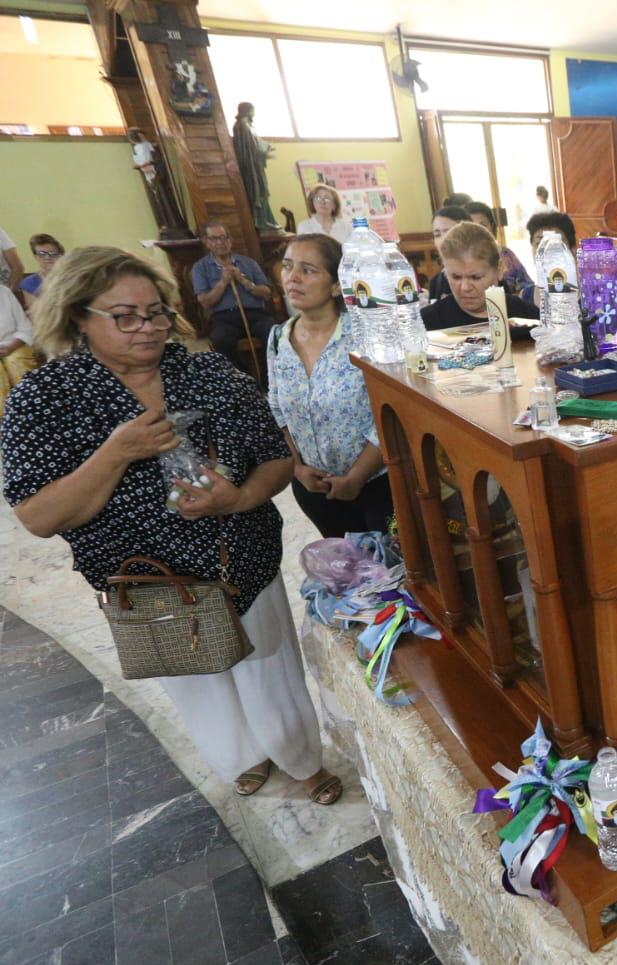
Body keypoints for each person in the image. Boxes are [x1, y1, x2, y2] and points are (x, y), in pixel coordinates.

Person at [2, 247, 345, 805]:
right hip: (151, 585)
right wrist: (116, 453)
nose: (148, 327)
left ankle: (300, 759)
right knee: (198, 683)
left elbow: (276, 458)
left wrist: (236, 500)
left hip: (242, 564)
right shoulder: (46, 398)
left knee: (269, 671)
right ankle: (246, 757)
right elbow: (38, 516)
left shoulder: (205, 371)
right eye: (126, 315)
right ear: (77, 316)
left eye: (157, 311)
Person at [266, 234, 388, 538]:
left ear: (336, 285)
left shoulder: (364, 336)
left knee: (390, 571)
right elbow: (277, 409)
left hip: (376, 485)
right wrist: (297, 468)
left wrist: (357, 477)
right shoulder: (279, 339)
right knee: (345, 572)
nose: (293, 278)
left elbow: (386, 413)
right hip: (313, 487)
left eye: (308, 270)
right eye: (288, 267)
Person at [191, 222, 277, 378]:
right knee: (221, 340)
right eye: (214, 239)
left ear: (230, 240)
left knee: (273, 333)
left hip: (255, 314)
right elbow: (205, 301)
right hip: (224, 318)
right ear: (206, 242)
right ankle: (245, 379)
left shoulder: (248, 263)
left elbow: (266, 293)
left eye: (223, 237)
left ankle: (269, 377)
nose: (220, 242)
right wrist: (223, 282)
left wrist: (245, 282)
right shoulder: (200, 268)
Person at [421, 223, 537, 339]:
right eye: (456, 277)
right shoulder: (426, 323)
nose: (465, 287)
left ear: (499, 270)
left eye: (475, 277)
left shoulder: (525, 316)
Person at [465, 201, 533, 302]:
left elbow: (528, 288)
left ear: (492, 226)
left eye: (483, 225)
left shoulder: (506, 254)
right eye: (472, 226)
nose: (478, 231)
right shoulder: (460, 261)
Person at [232, 102, 276, 231]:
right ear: (248, 110)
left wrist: (265, 149)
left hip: (256, 165)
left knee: (263, 191)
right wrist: (264, 151)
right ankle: (261, 221)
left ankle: (266, 220)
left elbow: (254, 144)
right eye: (252, 110)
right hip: (251, 167)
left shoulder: (246, 126)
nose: (254, 112)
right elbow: (250, 148)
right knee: (259, 191)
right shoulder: (242, 126)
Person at [426, 205, 471, 300]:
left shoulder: (485, 274)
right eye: (437, 235)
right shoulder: (436, 282)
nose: (442, 240)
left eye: (449, 232)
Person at [19, 234, 64, 310]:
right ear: (35, 257)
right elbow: (36, 315)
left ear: (61, 255)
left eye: (52, 253)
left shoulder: (72, 277)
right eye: (42, 254)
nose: (47, 257)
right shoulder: (29, 283)